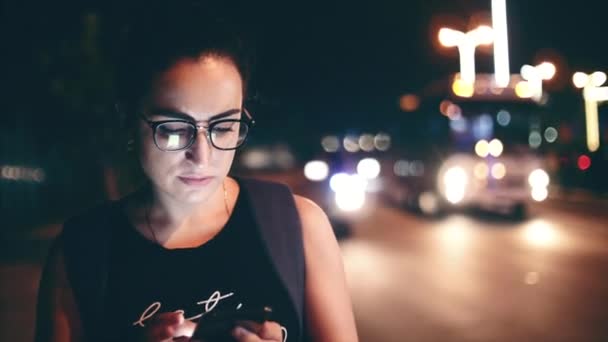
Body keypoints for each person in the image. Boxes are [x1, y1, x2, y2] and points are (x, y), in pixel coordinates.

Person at [34, 3, 358, 342]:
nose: (202, 156)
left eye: (223, 126)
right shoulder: (81, 254)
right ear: (128, 122)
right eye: (174, 129)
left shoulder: (297, 226)